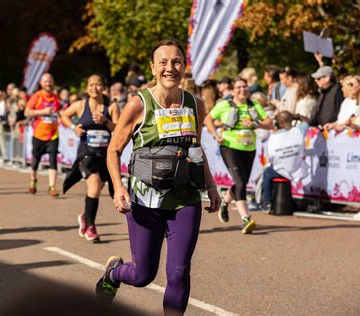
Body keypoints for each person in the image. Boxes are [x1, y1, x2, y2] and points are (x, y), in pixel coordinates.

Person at [96, 39, 220, 315]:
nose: (170, 67)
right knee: (142, 276)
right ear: (153, 68)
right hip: (145, 200)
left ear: (184, 67)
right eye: (163, 62)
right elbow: (113, 150)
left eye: (176, 61)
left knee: (178, 271)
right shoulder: (138, 104)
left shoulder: (195, 104)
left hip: (185, 198)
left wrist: (210, 185)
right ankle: (114, 274)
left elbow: (196, 148)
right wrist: (118, 188)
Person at [205, 76, 273, 233]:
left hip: (249, 148)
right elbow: (208, 119)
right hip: (230, 147)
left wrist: (256, 123)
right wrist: (216, 134)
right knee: (241, 182)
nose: (242, 90)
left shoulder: (254, 105)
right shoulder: (224, 105)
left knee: (240, 183)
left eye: (245, 87)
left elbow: (269, 124)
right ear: (233, 90)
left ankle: (225, 202)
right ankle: (245, 219)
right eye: (239, 87)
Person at [61, 74, 120, 242]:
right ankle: (91, 227)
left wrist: (105, 122)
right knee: (94, 187)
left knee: (97, 188)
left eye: (98, 84)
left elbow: (118, 126)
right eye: (91, 84)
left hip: (104, 155)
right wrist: (74, 128)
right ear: (87, 88)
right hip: (86, 153)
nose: (94, 87)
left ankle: (85, 217)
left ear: (104, 87)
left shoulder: (112, 106)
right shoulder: (81, 105)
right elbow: (64, 115)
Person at [261, 111, 310, 211]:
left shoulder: (274, 136)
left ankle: (267, 202)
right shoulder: (299, 131)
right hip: (297, 169)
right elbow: (306, 120)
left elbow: (271, 156)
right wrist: (297, 116)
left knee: (267, 172)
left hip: (280, 171)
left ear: (279, 123)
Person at [25, 73, 62, 197]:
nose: (48, 83)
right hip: (39, 135)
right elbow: (27, 112)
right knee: (35, 161)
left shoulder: (56, 97)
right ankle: (33, 179)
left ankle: (52, 187)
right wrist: (42, 112)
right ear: (41, 83)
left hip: (53, 135)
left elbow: (60, 112)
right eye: (45, 81)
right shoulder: (37, 96)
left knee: (53, 161)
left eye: (50, 81)